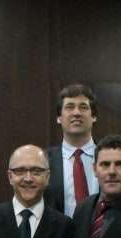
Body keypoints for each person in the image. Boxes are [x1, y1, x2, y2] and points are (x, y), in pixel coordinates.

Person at [45, 83, 100, 217]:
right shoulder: (43, 161)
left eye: (83, 107)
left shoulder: (113, 158)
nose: (76, 113)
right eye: (69, 107)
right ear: (59, 118)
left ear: (93, 117)